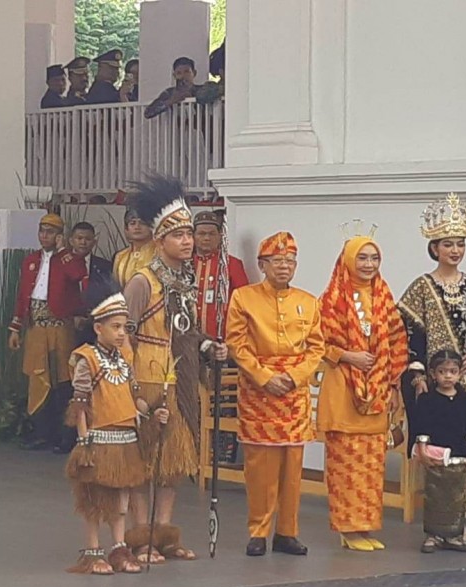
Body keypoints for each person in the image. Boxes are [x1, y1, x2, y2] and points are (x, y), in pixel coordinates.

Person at [122, 175, 228, 564]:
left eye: (190, 234)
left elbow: (190, 330)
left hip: (178, 378)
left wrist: (207, 346)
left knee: (173, 464)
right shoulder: (141, 282)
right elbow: (121, 337)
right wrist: (128, 388)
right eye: (180, 235)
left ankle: (164, 535)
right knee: (143, 464)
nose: (188, 241)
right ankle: (140, 538)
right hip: (146, 378)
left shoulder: (185, 281)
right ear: (160, 239)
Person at [226, 231, 325, 557]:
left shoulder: (308, 302)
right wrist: (265, 376)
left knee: (293, 469)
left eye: (290, 261)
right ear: (262, 264)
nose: (285, 266)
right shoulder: (243, 298)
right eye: (277, 261)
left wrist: (295, 376)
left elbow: (316, 348)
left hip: (293, 394)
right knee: (260, 469)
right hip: (259, 392)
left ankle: (287, 532)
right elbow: (236, 345)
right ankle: (258, 531)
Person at [397, 193, 466, 517]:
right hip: (436, 379)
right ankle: (438, 505)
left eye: (460, 244)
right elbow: (409, 333)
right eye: (449, 244)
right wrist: (419, 374)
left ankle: (465, 504)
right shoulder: (421, 287)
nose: (455, 251)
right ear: (434, 247)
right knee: (437, 437)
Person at [317, 232, 408, 552]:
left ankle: (366, 526)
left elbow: (398, 342)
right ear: (347, 261)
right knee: (345, 465)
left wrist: (394, 382)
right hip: (343, 391)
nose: (369, 264)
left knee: (371, 466)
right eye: (362, 258)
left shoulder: (384, 296)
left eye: (374, 258)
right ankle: (347, 529)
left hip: (377, 393)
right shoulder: (331, 299)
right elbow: (316, 344)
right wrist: (347, 356)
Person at [64, 281, 152, 575]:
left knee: (122, 498)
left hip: (125, 439)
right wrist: (84, 439)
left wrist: (153, 411)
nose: (121, 333)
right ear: (98, 327)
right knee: (94, 499)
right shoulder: (86, 359)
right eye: (115, 327)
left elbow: (133, 397)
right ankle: (92, 551)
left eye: (125, 328)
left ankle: (118, 546)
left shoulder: (125, 361)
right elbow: (80, 403)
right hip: (98, 439)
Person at [8, 214, 87, 452]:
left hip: (60, 328)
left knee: (63, 380)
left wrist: (63, 251)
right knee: (37, 380)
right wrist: (15, 328)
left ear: (60, 235)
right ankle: (41, 433)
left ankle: (64, 436)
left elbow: (77, 275)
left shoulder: (69, 259)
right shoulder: (31, 260)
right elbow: (23, 296)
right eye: (42, 231)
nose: (45, 236)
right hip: (36, 328)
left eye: (51, 232)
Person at [409, 349, 466, 553]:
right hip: (436, 455)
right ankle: (434, 535)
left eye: (452, 371)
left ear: (460, 374)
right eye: (442, 371)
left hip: (459, 454)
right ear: (433, 374)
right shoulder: (427, 400)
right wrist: (422, 449)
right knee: (435, 493)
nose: (447, 376)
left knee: (457, 496)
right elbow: (421, 427)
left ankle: (456, 533)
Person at [192, 210, 249, 340]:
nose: (207, 238)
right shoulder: (183, 265)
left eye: (212, 234)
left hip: (222, 340)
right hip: (188, 342)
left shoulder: (232, 264)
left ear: (219, 236)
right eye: (201, 233)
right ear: (193, 236)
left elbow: (244, 303)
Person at [70, 222, 113, 346]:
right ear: (71, 241)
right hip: (66, 326)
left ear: (94, 242)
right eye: (79, 238)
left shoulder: (105, 267)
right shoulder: (60, 264)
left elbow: (108, 296)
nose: (83, 242)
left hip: (95, 328)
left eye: (88, 239)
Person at [112, 206, 156, 287]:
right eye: (132, 223)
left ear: (152, 227)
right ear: (126, 229)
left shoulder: (160, 253)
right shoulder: (121, 256)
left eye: (142, 223)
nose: (137, 227)